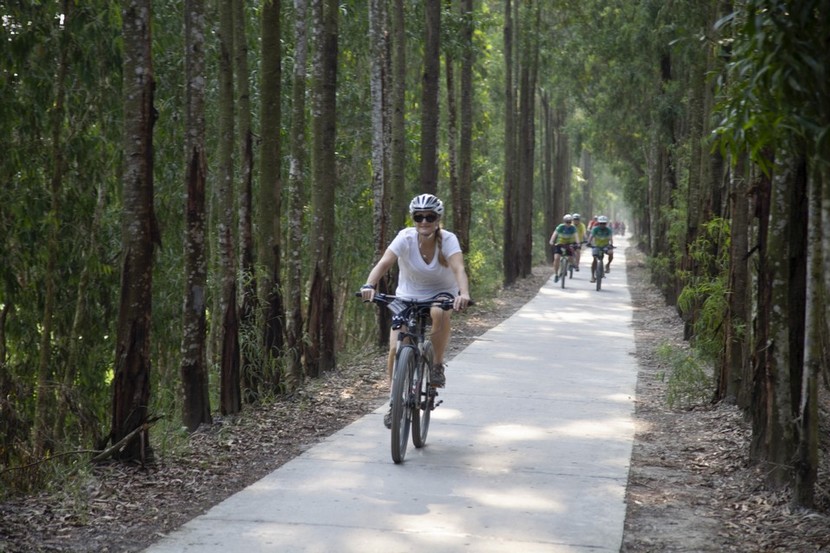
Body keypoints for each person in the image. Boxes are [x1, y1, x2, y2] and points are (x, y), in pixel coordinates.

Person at [361, 193, 471, 428]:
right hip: (407, 295)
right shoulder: (405, 238)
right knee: (395, 347)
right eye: (418, 216)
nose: (424, 221)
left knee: (439, 313)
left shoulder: (448, 240)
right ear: (413, 218)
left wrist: (464, 294)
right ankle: (394, 402)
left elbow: (459, 269)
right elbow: (383, 263)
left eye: (429, 216)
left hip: (441, 292)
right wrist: (369, 285)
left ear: (437, 218)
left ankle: (437, 364)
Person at [548, 213, 578, 282]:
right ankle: (556, 274)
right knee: (556, 258)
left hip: (569, 244)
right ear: (564, 222)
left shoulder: (573, 228)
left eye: (570, 222)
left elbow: (576, 236)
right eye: (567, 222)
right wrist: (551, 241)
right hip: (560, 244)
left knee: (571, 256)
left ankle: (570, 264)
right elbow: (554, 234)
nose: (568, 224)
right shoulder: (560, 227)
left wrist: (578, 243)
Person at [587, 215, 614, 283]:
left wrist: (611, 245)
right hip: (597, 246)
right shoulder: (595, 229)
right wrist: (589, 243)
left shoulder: (608, 230)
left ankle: (607, 265)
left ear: (606, 223)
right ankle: (592, 276)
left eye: (604, 223)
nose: (602, 225)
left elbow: (610, 238)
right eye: (601, 223)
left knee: (611, 253)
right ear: (598, 223)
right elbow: (591, 236)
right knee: (594, 259)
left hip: (605, 246)